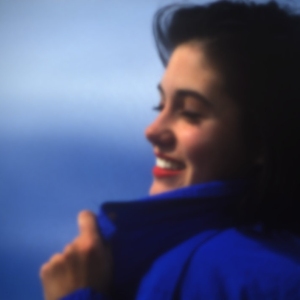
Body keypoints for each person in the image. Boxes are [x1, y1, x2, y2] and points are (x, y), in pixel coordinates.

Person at [40, 0, 300, 299]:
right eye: (160, 105)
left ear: (262, 142)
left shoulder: (255, 276)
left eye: (190, 112)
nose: (151, 130)